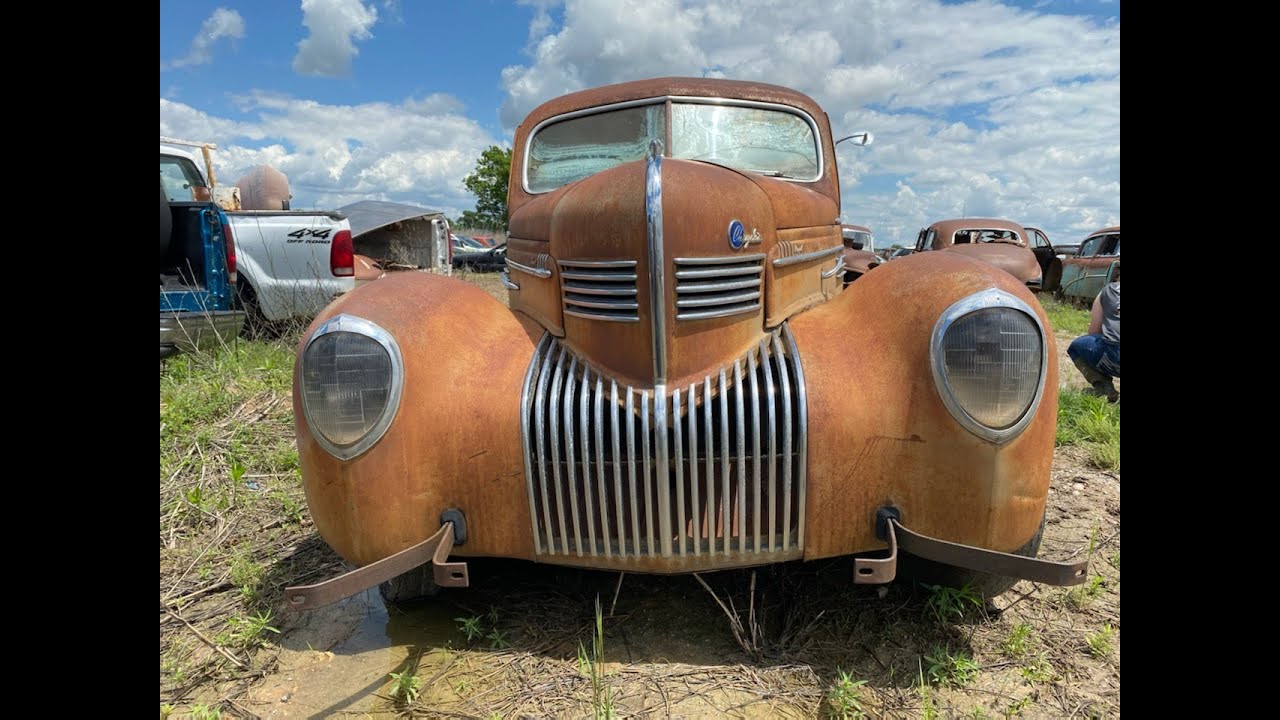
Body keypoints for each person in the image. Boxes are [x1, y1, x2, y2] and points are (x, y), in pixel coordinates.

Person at [1067, 271, 1120, 402]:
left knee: (1076, 346)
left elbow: (1094, 330)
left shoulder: (1109, 291)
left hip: (1113, 356)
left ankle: (1104, 389)